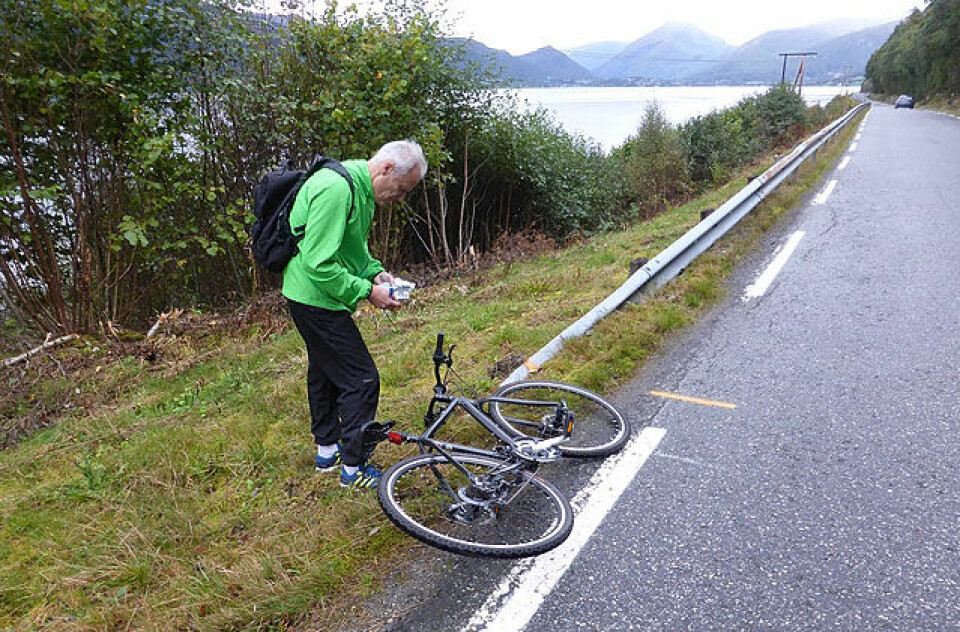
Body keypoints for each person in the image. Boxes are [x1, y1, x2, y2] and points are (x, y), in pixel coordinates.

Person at [282, 139, 427, 489]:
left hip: (316, 295)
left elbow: (351, 248)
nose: (401, 198)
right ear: (387, 169)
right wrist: (366, 292)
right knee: (361, 379)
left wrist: (375, 273)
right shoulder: (336, 189)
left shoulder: (359, 188)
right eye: (402, 189)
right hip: (314, 298)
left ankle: (327, 452)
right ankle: (354, 467)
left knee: (325, 372)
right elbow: (318, 263)